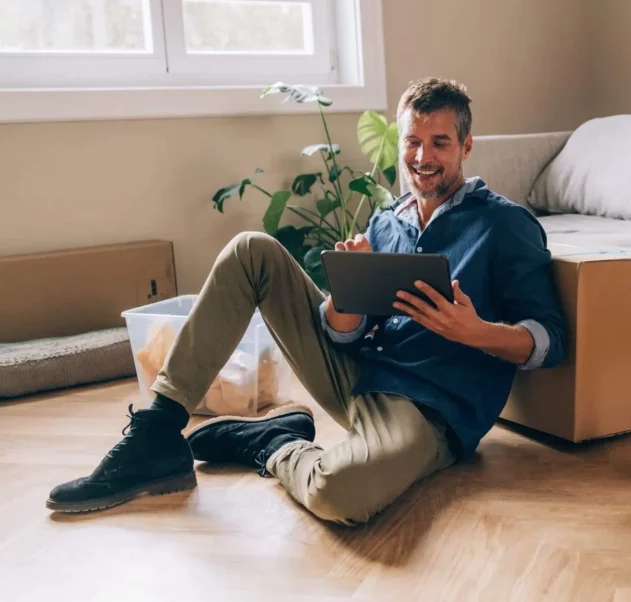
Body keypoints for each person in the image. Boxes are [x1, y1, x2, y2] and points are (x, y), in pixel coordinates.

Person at [47, 78, 567, 523]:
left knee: (339, 495)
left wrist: (474, 332)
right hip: (359, 376)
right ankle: (157, 433)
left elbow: (551, 340)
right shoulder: (387, 221)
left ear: (466, 147)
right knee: (251, 250)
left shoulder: (504, 225)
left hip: (430, 411)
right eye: (412, 142)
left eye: (439, 143)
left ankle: (275, 443)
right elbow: (345, 334)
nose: (422, 157)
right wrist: (345, 300)